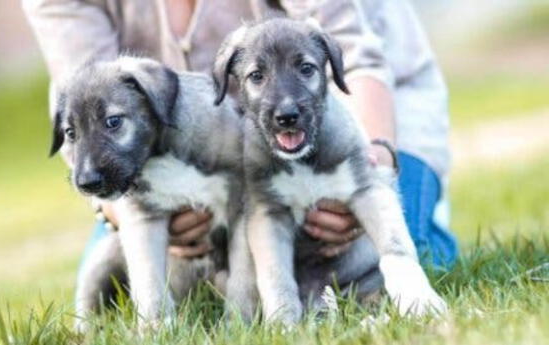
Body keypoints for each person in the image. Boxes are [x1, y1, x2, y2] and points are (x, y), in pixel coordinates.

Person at [23, 0, 458, 284]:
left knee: (372, 264)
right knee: (127, 287)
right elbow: (80, 97)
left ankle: (421, 219)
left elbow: (355, 54)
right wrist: (121, 209)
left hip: (370, 119)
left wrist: (370, 172)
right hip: (187, 164)